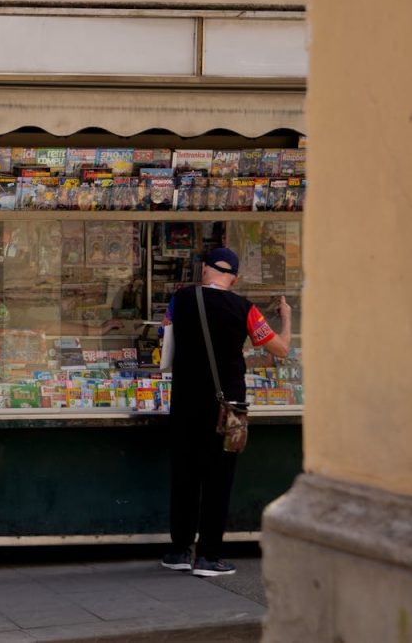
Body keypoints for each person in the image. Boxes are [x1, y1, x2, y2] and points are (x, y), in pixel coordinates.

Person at [160, 247, 292, 577]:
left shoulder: (181, 300)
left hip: (185, 402)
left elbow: (166, 337)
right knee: (219, 477)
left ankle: (178, 550)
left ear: (206, 269)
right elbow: (281, 349)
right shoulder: (244, 308)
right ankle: (208, 556)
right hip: (227, 407)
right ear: (233, 277)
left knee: (184, 475)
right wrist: (286, 317)